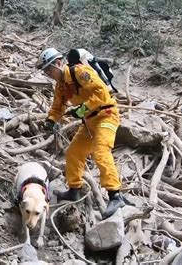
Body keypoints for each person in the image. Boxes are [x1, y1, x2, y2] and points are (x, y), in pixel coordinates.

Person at [36, 47, 124, 219]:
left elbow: (101, 92)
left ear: (59, 63)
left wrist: (82, 109)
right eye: (46, 71)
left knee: (101, 151)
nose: (48, 73)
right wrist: (50, 120)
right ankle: (74, 189)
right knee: (74, 153)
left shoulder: (80, 72)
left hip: (106, 115)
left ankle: (115, 195)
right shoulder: (61, 86)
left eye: (49, 69)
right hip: (90, 120)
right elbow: (58, 106)